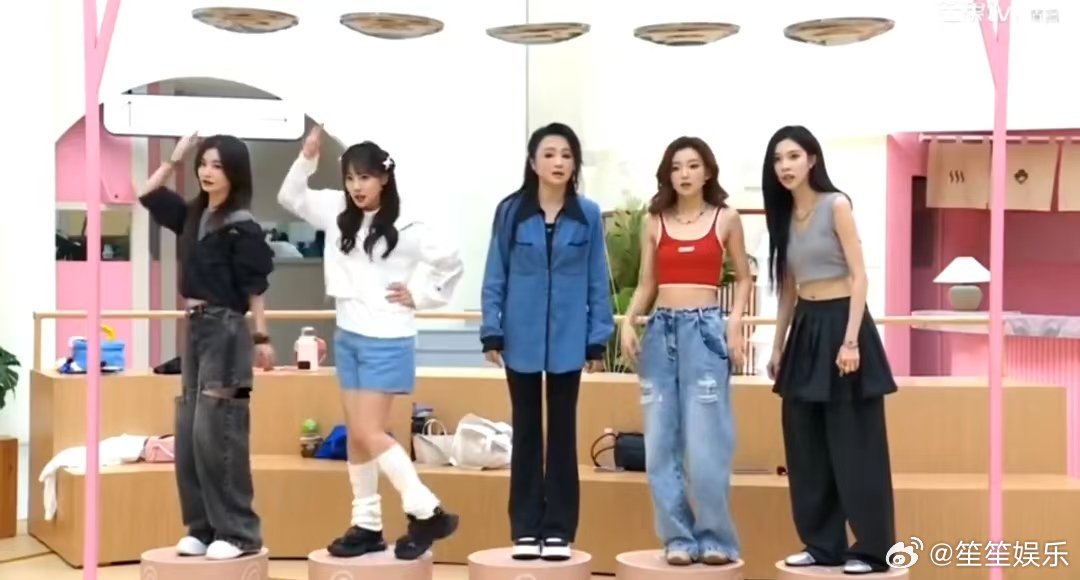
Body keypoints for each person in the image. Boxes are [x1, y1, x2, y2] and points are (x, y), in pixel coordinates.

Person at [277, 125, 463, 561]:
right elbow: (290, 196)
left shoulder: (407, 224)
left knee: (368, 431)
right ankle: (367, 524)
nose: (356, 187)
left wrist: (423, 296)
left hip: (388, 338)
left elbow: (451, 262)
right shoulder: (336, 209)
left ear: (384, 177)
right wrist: (307, 158)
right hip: (349, 335)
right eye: (350, 178)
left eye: (364, 177)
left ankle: (426, 510)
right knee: (357, 438)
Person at [761, 125, 897, 575]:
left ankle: (874, 549)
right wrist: (777, 345)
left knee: (855, 443)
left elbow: (860, 276)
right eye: (778, 159)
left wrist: (851, 340)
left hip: (843, 324)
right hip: (806, 328)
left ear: (812, 160)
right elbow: (787, 288)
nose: (785, 166)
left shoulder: (836, 205)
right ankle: (822, 545)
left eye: (793, 156)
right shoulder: (782, 216)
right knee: (805, 443)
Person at [480, 122, 615, 561]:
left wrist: (597, 340)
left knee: (562, 434)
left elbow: (597, 280)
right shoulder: (510, 212)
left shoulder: (588, 214)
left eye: (567, 155)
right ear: (533, 162)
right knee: (525, 433)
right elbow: (495, 272)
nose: (558, 162)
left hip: (569, 340)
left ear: (575, 164)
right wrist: (491, 329)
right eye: (550, 154)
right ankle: (524, 528)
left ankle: (558, 530)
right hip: (519, 338)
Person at [138, 132, 276, 560]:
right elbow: (147, 194)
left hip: (227, 328)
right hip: (196, 326)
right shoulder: (193, 215)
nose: (207, 172)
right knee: (189, 431)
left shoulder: (242, 226)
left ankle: (238, 533)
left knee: (219, 430)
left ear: (234, 172)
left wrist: (262, 338)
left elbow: (255, 287)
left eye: (217, 165)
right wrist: (176, 158)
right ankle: (202, 527)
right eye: (203, 164)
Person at [619, 136, 751, 567]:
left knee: (707, 444)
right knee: (660, 444)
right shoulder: (654, 220)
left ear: (707, 171)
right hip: (661, 333)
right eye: (676, 167)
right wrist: (629, 322)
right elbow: (647, 283)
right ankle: (677, 537)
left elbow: (744, 278)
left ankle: (716, 538)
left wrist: (734, 324)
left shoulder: (726, 218)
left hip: (706, 332)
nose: (684, 174)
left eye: (693, 165)